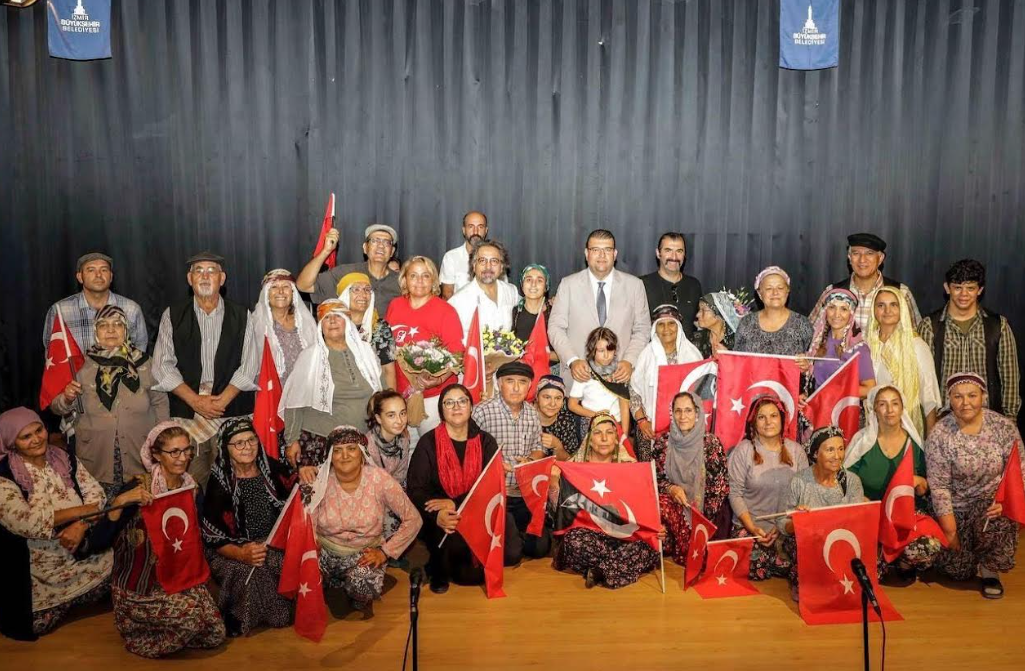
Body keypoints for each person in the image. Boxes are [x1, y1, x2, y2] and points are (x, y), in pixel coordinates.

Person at [0, 408, 146, 640]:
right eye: (25, 436)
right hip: (41, 570)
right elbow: (26, 522)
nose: (36, 439)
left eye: (39, 430)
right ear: (11, 442)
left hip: (82, 550)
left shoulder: (62, 458)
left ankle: (85, 596)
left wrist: (82, 525)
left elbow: (96, 496)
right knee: (37, 623)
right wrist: (80, 511)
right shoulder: (5, 475)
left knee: (130, 555)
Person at [111, 422, 225, 657]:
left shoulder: (192, 488)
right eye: (174, 452)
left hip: (180, 577)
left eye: (186, 450)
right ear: (156, 454)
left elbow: (197, 537)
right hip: (141, 584)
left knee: (215, 634)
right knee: (192, 621)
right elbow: (102, 538)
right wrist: (120, 502)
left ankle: (167, 624)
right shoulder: (138, 487)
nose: (182, 458)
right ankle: (136, 636)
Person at [152, 251, 259, 487]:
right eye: (198, 271)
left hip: (231, 410)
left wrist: (222, 401)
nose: (205, 276)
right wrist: (195, 401)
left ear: (222, 278)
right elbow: (162, 366)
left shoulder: (242, 314)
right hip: (188, 414)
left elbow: (250, 365)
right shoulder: (173, 314)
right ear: (189, 279)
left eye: (212, 271)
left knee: (234, 482)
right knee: (191, 482)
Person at [406, 384, 523, 594]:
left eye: (462, 401)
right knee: (467, 576)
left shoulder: (486, 441)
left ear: (470, 406)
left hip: (480, 510)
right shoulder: (428, 442)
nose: (456, 407)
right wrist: (438, 514)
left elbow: (491, 487)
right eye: (449, 403)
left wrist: (455, 502)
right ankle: (437, 565)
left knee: (513, 554)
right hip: (443, 515)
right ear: (441, 410)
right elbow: (416, 489)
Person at [50, 306, 169, 499]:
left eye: (118, 324)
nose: (111, 330)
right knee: (101, 513)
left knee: (140, 511)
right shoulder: (79, 365)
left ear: (126, 330)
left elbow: (160, 402)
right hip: (95, 457)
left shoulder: (145, 363)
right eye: (103, 325)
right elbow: (56, 407)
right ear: (95, 332)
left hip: (140, 454)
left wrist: (161, 441)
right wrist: (66, 398)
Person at [300, 426, 421, 611]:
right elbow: (306, 523)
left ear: (362, 453)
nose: (344, 455)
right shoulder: (318, 480)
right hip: (325, 553)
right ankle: (332, 583)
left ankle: (352, 590)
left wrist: (385, 552)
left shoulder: (379, 479)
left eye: (351, 448)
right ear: (330, 456)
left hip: (364, 555)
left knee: (362, 586)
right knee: (296, 574)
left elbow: (414, 519)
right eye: (337, 450)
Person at [926, 372, 1024, 599]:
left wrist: (1007, 503)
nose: (965, 402)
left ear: (983, 397)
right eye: (958, 397)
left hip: (990, 506)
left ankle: (989, 569)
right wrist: (950, 531)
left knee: (998, 521)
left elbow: (1020, 468)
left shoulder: (1002, 427)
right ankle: (969, 555)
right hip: (956, 509)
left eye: (972, 395)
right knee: (957, 571)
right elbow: (939, 486)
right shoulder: (940, 434)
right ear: (950, 399)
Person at [200, 418, 294, 637]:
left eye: (251, 440)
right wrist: (242, 554)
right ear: (226, 448)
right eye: (239, 443)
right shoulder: (219, 482)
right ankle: (240, 616)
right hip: (230, 549)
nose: (247, 447)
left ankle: (271, 612)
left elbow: (296, 501)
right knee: (251, 571)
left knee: (280, 562)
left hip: (271, 542)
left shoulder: (273, 470)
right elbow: (214, 537)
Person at [550, 413, 662, 589]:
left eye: (609, 433)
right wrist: (554, 482)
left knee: (650, 546)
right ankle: (617, 567)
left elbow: (643, 506)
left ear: (616, 439)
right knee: (574, 541)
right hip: (590, 536)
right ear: (589, 440)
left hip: (623, 537)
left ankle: (600, 571)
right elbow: (558, 508)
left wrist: (655, 527)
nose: (604, 438)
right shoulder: (574, 468)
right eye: (598, 433)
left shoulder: (631, 468)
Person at [846, 386, 943, 581]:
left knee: (929, 547)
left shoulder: (913, 444)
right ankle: (882, 557)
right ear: (874, 409)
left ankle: (904, 561)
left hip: (903, 517)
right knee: (865, 571)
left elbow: (925, 488)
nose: (889, 410)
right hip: (869, 517)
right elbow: (844, 479)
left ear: (902, 408)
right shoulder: (862, 442)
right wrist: (858, 497)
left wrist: (919, 482)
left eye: (895, 403)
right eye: (883, 404)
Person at [281, 300, 382, 469]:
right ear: (321, 325)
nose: (333, 321)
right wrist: (291, 440)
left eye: (338, 316)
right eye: (327, 318)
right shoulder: (310, 356)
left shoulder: (365, 351)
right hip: (321, 441)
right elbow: (294, 402)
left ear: (347, 322)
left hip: (363, 440)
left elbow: (382, 395)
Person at [918, 259, 1020, 420]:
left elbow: (1010, 377)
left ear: (980, 290)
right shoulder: (930, 326)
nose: (964, 294)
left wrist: (1010, 419)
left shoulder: (998, 326)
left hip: (987, 418)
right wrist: (929, 422)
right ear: (947, 288)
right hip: (944, 418)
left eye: (970, 288)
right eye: (957, 288)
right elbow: (923, 379)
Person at [548, 229, 651, 385]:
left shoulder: (634, 286)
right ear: (586, 253)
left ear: (615, 254)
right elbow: (555, 328)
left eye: (607, 250)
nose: (602, 255)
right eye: (595, 250)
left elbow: (643, 329)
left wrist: (629, 361)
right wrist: (572, 360)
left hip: (620, 379)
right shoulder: (568, 285)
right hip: (578, 379)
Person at [472, 361, 551, 559]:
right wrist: (493, 465)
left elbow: (539, 446)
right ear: (499, 384)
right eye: (510, 381)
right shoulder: (481, 412)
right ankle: (508, 535)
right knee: (510, 556)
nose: (516, 388)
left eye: (522, 382)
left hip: (525, 494)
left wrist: (531, 460)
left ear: (529, 386)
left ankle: (514, 533)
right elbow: (469, 453)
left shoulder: (532, 414)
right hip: (496, 495)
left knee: (540, 549)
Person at [778, 426, 866, 601]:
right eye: (830, 450)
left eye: (840, 449)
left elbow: (857, 524)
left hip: (840, 541)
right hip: (808, 543)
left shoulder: (852, 482)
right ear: (816, 453)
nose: (837, 456)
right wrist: (798, 522)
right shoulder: (799, 481)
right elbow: (781, 522)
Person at [727, 393, 809, 580]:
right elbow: (735, 494)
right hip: (750, 527)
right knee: (754, 566)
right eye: (761, 417)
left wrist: (781, 528)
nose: (768, 422)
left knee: (808, 560)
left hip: (786, 528)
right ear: (754, 422)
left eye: (773, 416)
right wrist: (752, 528)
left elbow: (803, 494)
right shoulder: (743, 451)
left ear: (782, 419)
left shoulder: (797, 451)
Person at [384, 256, 465, 434]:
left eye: (425, 276)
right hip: (400, 397)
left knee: (432, 448)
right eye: (413, 275)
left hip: (433, 397)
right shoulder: (395, 305)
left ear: (434, 280)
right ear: (404, 279)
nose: (419, 281)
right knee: (405, 449)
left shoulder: (445, 311)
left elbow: (457, 353)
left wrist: (439, 379)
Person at [653, 392, 730, 564]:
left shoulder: (710, 444)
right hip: (674, 512)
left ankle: (688, 543)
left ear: (697, 413)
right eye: (678, 411)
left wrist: (701, 524)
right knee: (661, 505)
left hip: (703, 516)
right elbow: (653, 480)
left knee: (698, 558)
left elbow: (719, 489)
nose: (682, 416)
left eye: (688, 410)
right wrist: (671, 488)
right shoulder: (663, 443)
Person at [864, 286, 941, 436]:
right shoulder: (866, 344)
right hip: (872, 426)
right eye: (881, 305)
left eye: (894, 305)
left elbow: (929, 396)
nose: (887, 311)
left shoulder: (916, 345)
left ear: (903, 309)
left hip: (907, 426)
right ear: (873, 310)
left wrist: (930, 440)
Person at [629, 304, 702, 461]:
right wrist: (642, 421)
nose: (666, 329)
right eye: (661, 325)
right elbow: (634, 393)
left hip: (686, 429)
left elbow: (702, 394)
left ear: (679, 327)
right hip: (649, 429)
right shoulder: (645, 356)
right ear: (655, 329)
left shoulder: (693, 355)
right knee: (650, 473)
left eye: (671, 324)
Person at [808, 233, 921, 331]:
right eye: (856, 253)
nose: (862, 260)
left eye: (869, 253)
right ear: (849, 257)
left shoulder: (901, 293)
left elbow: (916, 336)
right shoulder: (832, 292)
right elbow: (810, 333)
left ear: (880, 258)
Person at [43, 252, 147, 352]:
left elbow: (140, 350)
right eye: (91, 270)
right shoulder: (61, 311)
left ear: (111, 277)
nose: (98, 275)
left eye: (104, 270)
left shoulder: (131, 309)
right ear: (80, 277)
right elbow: (52, 353)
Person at [297, 223, 402, 316]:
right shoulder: (345, 273)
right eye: (374, 241)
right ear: (365, 248)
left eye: (387, 242)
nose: (381, 246)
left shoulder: (401, 282)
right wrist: (326, 251)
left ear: (392, 251)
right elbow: (304, 285)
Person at [801, 288, 876, 399]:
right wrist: (805, 396)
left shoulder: (858, 348)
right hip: (817, 407)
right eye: (832, 307)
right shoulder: (817, 342)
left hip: (843, 408)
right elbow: (815, 383)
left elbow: (869, 389)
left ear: (851, 314)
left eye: (843, 309)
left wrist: (837, 390)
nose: (837, 314)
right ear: (825, 311)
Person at [248, 269, 318, 384]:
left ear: (293, 293)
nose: (280, 291)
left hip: (305, 388)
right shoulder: (254, 324)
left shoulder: (306, 322)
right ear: (266, 294)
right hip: (270, 390)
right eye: (274, 287)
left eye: (286, 286)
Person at [448, 239, 520, 341]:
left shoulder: (511, 292)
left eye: (494, 261)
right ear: (474, 266)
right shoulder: (457, 302)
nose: (488, 266)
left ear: (502, 267)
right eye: (482, 261)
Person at [336, 271, 398, 390]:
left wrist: (391, 398)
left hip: (375, 393)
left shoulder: (380, 327)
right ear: (344, 295)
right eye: (356, 289)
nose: (363, 294)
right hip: (342, 393)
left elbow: (388, 371)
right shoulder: (333, 326)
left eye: (367, 289)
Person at [734, 266, 813, 356]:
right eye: (769, 288)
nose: (775, 293)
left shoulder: (802, 324)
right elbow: (736, 359)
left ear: (787, 291)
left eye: (780, 288)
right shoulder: (746, 323)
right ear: (760, 294)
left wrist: (807, 362)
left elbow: (815, 358)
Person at [567, 327, 632, 433]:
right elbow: (572, 405)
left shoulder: (619, 371)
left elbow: (624, 406)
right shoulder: (585, 371)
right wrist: (598, 416)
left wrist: (624, 435)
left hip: (616, 424)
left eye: (610, 350)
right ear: (592, 350)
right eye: (601, 351)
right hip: (591, 424)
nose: (606, 355)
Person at [640, 233, 703, 338]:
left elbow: (700, 323)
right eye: (668, 250)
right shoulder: (642, 285)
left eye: (679, 251)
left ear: (684, 255)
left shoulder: (694, 285)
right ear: (658, 253)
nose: (674, 257)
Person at [511, 265, 557, 367]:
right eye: (528, 279)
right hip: (520, 370)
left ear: (546, 287)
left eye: (539, 280)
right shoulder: (514, 313)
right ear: (522, 285)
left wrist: (539, 354)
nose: (533, 284)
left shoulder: (555, 313)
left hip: (550, 371)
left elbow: (565, 353)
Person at [365, 390, 413, 487]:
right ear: (379, 418)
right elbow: (371, 482)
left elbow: (401, 473)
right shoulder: (368, 445)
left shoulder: (404, 437)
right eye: (391, 415)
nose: (399, 421)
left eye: (402, 413)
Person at [439, 211, 490, 299]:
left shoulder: (496, 258)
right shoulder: (451, 257)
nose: (475, 231)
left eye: (480, 227)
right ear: (464, 230)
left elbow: (502, 291)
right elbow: (447, 295)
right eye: (471, 226)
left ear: (486, 230)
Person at [692, 288, 753, 358]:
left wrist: (727, 357)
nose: (697, 315)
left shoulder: (738, 341)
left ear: (720, 314)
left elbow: (748, 363)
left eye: (704, 310)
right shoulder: (696, 339)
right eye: (699, 310)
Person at [535, 375, 582, 460]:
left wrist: (557, 445)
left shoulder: (565, 421)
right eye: (547, 397)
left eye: (558, 398)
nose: (552, 404)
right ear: (537, 397)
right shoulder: (525, 417)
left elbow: (570, 460)